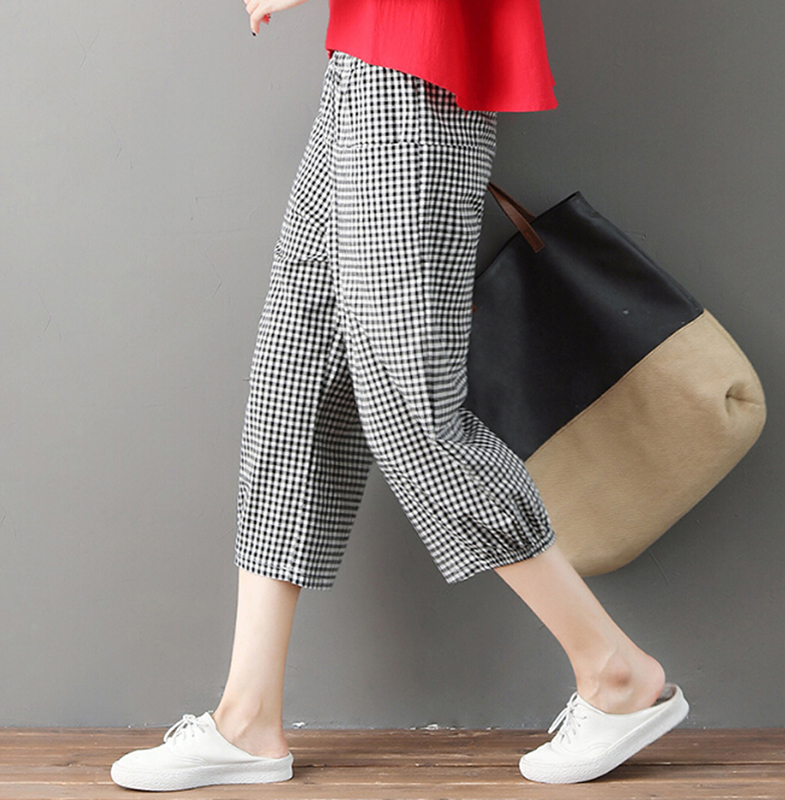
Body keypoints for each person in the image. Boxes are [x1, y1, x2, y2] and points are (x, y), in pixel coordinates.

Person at [110, 0, 689, 790]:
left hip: (417, 76)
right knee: (294, 388)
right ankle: (246, 718)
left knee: (414, 411)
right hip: (362, 69)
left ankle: (615, 672)